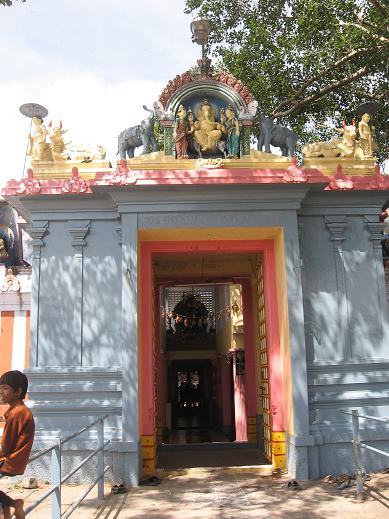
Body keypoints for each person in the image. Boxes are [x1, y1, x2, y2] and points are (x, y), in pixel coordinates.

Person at [0, 370, 35, 519]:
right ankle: (9, 507)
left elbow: (5, 447)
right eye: (0, 387)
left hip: (10, 461)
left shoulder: (17, 413)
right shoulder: (17, 410)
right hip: (14, 460)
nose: (1, 391)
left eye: (5, 388)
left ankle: (13, 505)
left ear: (18, 391)